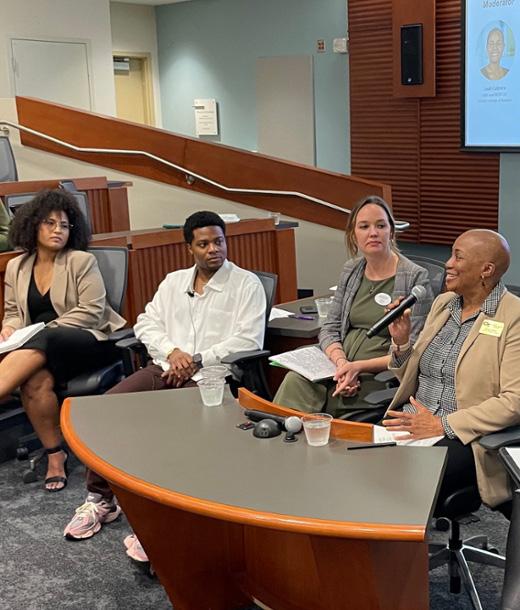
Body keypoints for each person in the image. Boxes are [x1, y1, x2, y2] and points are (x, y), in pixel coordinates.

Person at [64, 210, 266, 559]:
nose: (214, 249)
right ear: (190, 248)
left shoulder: (246, 285)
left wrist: (196, 360)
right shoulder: (173, 282)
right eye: (204, 244)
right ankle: (100, 500)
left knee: (177, 433)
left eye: (219, 241)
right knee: (104, 410)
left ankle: (160, 522)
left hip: (210, 378)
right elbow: (146, 323)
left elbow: (248, 339)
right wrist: (173, 353)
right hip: (166, 368)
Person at [384, 229, 519, 517]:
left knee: (394, 484)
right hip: (411, 422)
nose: (448, 264)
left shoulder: (513, 317)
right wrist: (401, 342)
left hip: (464, 437)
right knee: (357, 465)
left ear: (486, 270)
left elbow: (513, 402)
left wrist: (442, 424)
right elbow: (414, 376)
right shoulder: (444, 304)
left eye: (458, 257)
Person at [0, 189, 126, 491]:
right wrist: (9, 328)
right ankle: (56, 456)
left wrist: (43, 331)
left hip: (87, 343)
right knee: (34, 382)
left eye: (65, 225)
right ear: (33, 225)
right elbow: (13, 313)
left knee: (47, 337)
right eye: (50, 223)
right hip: (40, 351)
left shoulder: (81, 261)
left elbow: (92, 311)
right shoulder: (17, 267)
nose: (58, 230)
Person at [273, 195, 434, 418]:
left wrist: (358, 367)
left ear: (391, 232)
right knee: (294, 381)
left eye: (381, 226)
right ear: (353, 234)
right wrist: (342, 363)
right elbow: (330, 327)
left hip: (379, 376)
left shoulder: (415, 277)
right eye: (364, 226)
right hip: (336, 367)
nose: (373, 233)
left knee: (319, 405)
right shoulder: (351, 270)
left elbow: (413, 349)